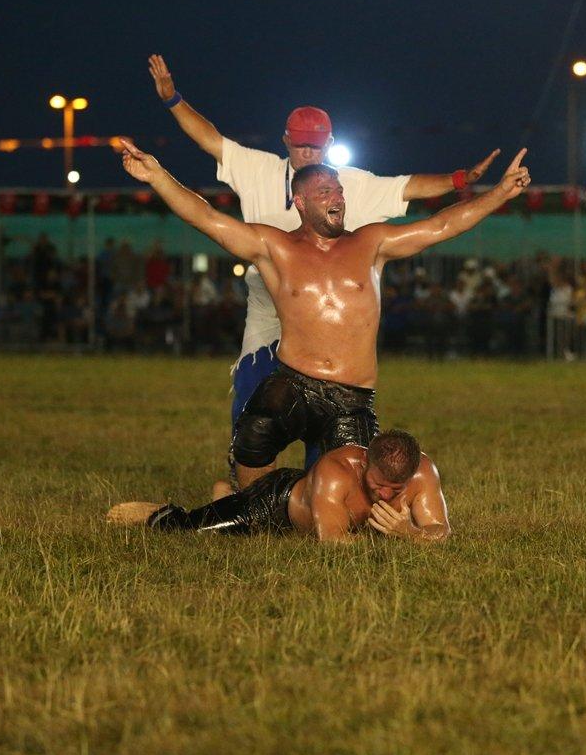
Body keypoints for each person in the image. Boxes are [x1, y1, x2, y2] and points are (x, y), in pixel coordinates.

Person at [147, 53, 500, 474]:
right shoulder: (256, 168)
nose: (308, 151)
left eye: (317, 143)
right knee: (251, 397)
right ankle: (247, 481)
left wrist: (460, 180)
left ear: (331, 144)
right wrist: (172, 100)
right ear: (285, 141)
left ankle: (323, 477)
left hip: (332, 316)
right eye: (300, 143)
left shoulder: (349, 184)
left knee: (332, 412)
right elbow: (208, 142)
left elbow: (409, 190)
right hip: (269, 302)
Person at [120, 139, 530, 490]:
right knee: (253, 437)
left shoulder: (371, 243)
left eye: (338, 190)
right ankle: (247, 500)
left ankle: (293, 498)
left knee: (347, 494)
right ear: (299, 202)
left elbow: (442, 226)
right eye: (325, 192)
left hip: (351, 394)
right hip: (293, 382)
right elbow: (206, 217)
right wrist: (158, 176)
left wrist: (499, 193)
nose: (337, 197)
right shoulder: (274, 248)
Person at [106, 429, 449, 544]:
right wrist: (403, 536)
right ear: (365, 464)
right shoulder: (337, 470)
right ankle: (159, 513)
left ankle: (225, 495)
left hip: (301, 509)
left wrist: (412, 534)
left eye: (395, 489)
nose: (386, 495)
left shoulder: (423, 473)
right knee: (193, 530)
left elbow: (441, 530)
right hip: (274, 503)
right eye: (379, 485)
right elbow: (332, 541)